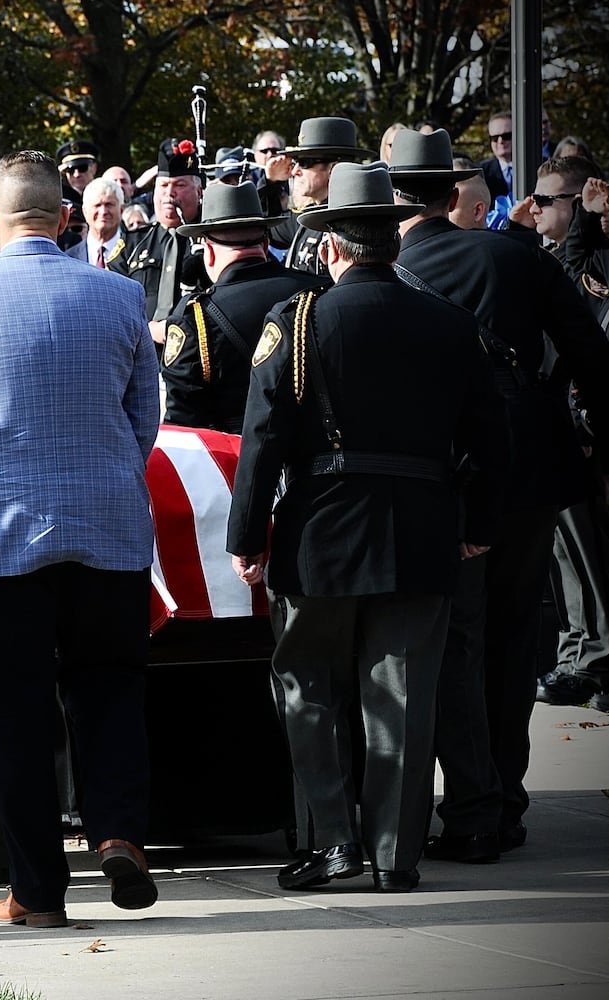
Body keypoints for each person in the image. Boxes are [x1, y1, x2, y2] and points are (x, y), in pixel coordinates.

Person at [228, 161, 504, 893]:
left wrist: (244, 538)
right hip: (420, 525)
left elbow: (263, 440)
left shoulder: (296, 322)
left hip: (320, 526)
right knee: (406, 695)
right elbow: (490, 436)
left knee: (307, 684)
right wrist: (476, 522)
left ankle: (332, 842)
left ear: (329, 248)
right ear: (390, 242)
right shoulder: (450, 324)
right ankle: (391, 855)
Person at [0, 150, 160, 927]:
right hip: (107, 525)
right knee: (111, 686)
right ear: (64, 218)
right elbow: (144, 414)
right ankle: (118, 828)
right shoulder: (121, 295)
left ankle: (36, 891)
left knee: (14, 715)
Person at [391, 131, 609, 859]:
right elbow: (590, 356)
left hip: (437, 476)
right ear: (454, 194)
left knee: (452, 642)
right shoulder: (516, 257)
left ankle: (472, 806)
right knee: (514, 640)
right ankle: (501, 799)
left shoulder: (383, 271)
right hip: (528, 473)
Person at [161, 181, 327, 433]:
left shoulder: (196, 317)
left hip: (232, 462)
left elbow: (183, 425)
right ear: (264, 245)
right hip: (314, 455)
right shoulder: (320, 291)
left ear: (208, 251)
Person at [112, 137, 208, 344]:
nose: (169, 193)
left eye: (179, 185)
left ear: (199, 192)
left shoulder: (213, 240)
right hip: (142, 351)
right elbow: (112, 303)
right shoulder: (133, 242)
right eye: (163, 185)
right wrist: (148, 329)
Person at [265, 117, 374, 275]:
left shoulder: (359, 222)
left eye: (304, 163)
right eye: (295, 162)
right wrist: (271, 183)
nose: (295, 171)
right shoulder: (307, 215)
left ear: (334, 168)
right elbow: (268, 230)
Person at [67, 178, 126, 268]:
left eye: (109, 204)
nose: (103, 211)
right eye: (97, 205)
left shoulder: (134, 253)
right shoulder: (69, 258)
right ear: (85, 212)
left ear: (121, 210)